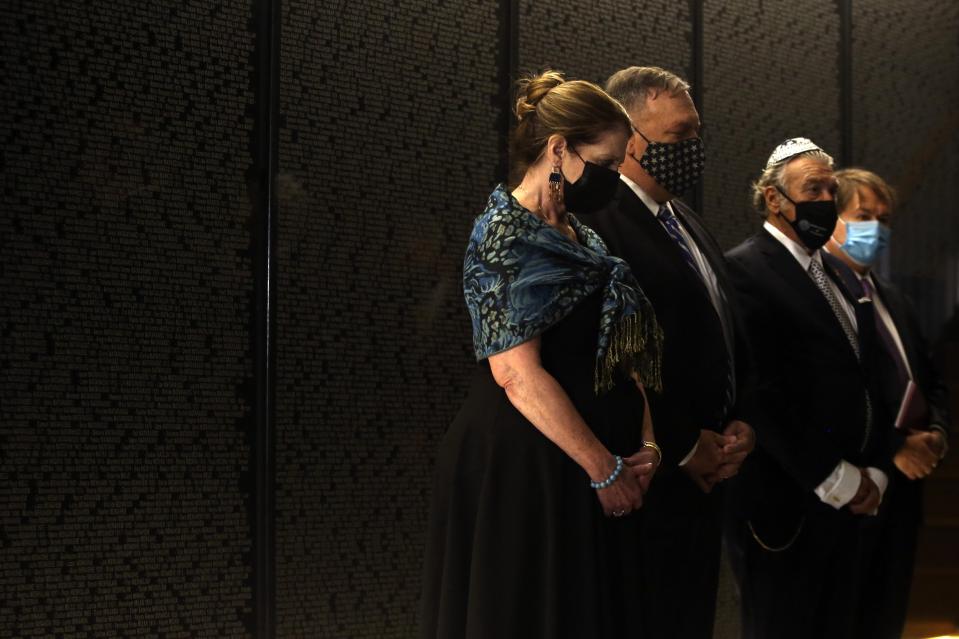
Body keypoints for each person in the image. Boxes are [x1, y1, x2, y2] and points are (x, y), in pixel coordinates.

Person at [419, 70, 665, 638]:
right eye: (605, 165)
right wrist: (605, 470)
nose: (613, 179)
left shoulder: (584, 233)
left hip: (596, 470)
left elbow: (621, 353)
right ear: (559, 149)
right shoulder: (505, 234)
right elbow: (516, 374)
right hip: (530, 473)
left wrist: (645, 446)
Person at [576, 66, 756, 639]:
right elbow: (609, 357)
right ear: (630, 140)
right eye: (680, 136)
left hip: (710, 478)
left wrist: (739, 423)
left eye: (697, 135)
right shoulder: (600, 223)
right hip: (653, 480)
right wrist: (682, 446)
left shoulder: (687, 220)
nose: (693, 150)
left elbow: (725, 331)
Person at [723, 138, 894, 638]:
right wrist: (834, 477)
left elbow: (868, 376)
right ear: (774, 199)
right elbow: (760, 391)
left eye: (830, 189)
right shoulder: (746, 269)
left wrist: (876, 471)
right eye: (811, 189)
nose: (824, 200)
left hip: (849, 505)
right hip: (788, 505)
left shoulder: (834, 275)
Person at [823, 167, 950, 638]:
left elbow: (930, 379)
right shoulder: (820, 293)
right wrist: (893, 444)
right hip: (847, 486)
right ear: (832, 220)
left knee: (886, 618)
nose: (875, 228)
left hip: (903, 495)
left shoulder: (895, 299)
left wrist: (936, 433)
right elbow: (833, 392)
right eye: (862, 215)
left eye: (884, 218)